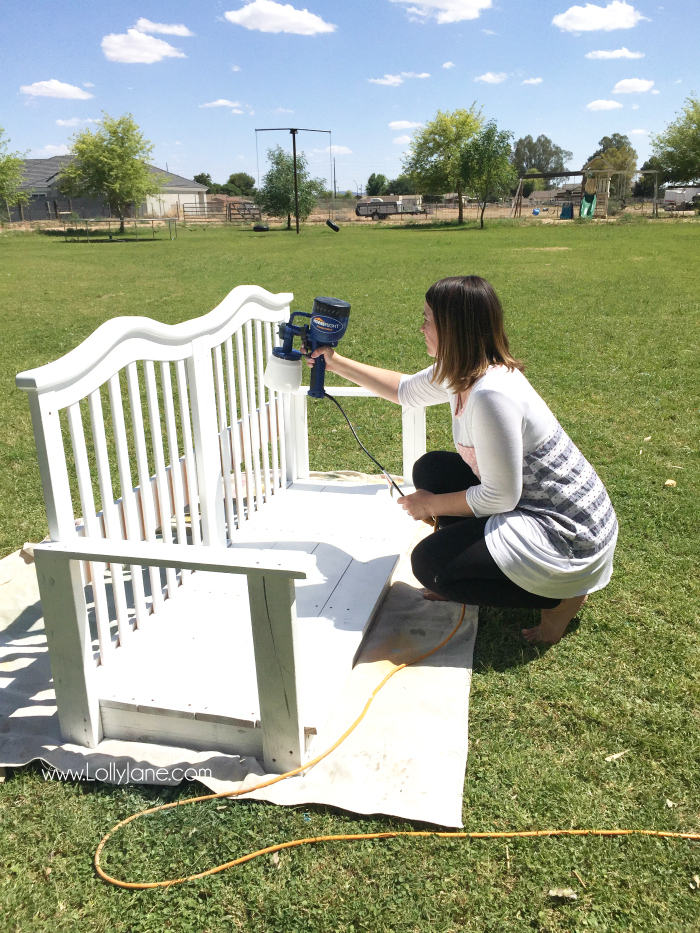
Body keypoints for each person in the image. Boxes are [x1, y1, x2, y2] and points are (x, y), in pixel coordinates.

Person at [308, 276, 618, 644]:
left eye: (427, 319)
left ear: (455, 329)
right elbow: (405, 391)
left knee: (428, 566)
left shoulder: (491, 395)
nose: (420, 327)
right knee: (432, 469)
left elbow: (500, 497)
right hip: (532, 504)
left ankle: (559, 596)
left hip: (567, 533)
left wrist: (429, 504)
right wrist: (334, 361)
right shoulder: (464, 368)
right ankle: (470, 573)